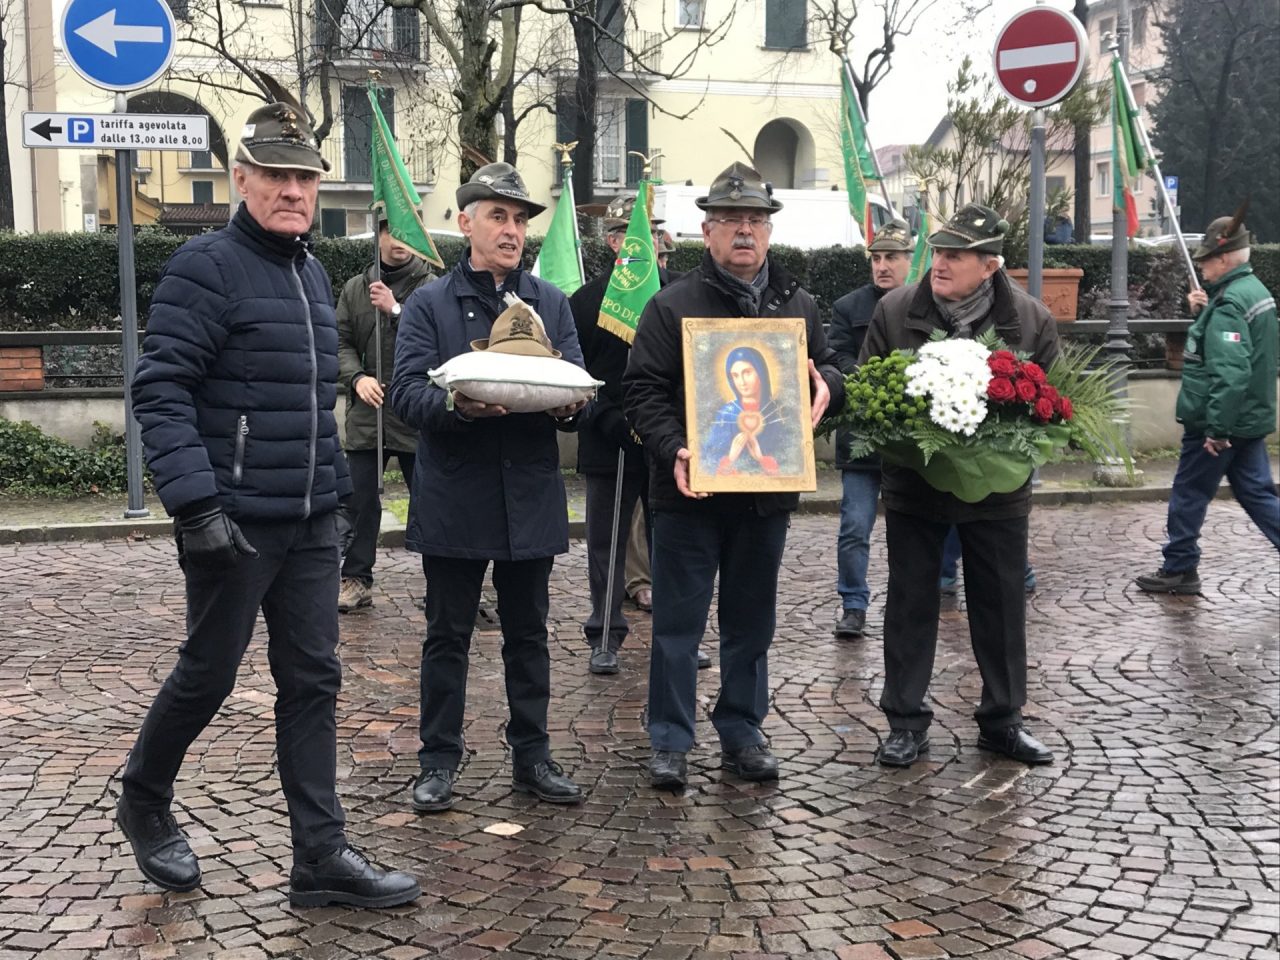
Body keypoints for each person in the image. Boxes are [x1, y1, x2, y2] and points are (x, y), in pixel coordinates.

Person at [118, 103, 419, 908]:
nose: (292, 190)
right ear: (241, 179)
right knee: (210, 673)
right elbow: (160, 389)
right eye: (276, 174)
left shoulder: (313, 271)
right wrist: (195, 506)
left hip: (313, 517)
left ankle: (319, 856)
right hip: (233, 519)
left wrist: (335, 503)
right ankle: (144, 797)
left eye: (305, 177)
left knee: (313, 680)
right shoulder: (205, 266)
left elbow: (309, 400)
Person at [624, 161, 845, 790]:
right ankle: (669, 739)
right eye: (731, 221)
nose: (744, 231)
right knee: (677, 624)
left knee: (752, 621)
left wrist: (827, 386)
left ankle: (743, 731)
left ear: (769, 231)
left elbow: (827, 367)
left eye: (755, 220)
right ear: (707, 230)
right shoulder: (672, 306)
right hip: (690, 493)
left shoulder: (797, 304)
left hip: (764, 496)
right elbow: (641, 391)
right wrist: (674, 450)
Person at [389, 162, 588, 813]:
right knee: (447, 635)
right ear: (465, 220)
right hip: (456, 494)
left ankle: (533, 757)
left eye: (519, 219)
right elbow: (406, 393)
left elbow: (577, 381)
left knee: (529, 634)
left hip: (529, 494)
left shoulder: (550, 303)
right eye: (498, 216)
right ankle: (437, 761)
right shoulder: (427, 303)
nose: (512, 229)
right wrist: (455, 408)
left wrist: (569, 408)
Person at [859, 202, 1058, 769]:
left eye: (956, 255)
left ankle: (1002, 721)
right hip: (915, 484)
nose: (940, 263)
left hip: (999, 493)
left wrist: (1011, 455)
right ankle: (904, 722)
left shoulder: (1030, 320)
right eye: (939, 251)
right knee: (910, 600)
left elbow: (1052, 406)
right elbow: (869, 389)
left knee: (1000, 605)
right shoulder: (896, 310)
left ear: (990, 264)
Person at [1135, 213, 1279, 594]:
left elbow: (1230, 373)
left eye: (1206, 260)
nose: (1201, 265)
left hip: (1220, 423)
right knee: (1258, 494)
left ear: (1225, 258)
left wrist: (1216, 430)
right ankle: (1180, 565)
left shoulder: (1230, 302)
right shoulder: (1253, 292)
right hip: (1248, 418)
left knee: (1189, 492)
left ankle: (1180, 567)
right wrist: (1204, 310)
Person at [568, 196, 665, 675]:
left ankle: (675, 631)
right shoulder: (586, 301)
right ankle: (604, 633)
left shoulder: (674, 294)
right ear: (613, 241)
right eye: (633, 233)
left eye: (651, 232)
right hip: (610, 442)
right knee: (606, 543)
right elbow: (575, 371)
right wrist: (606, 417)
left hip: (668, 441)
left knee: (670, 539)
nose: (647, 242)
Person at [335, 221, 434, 612]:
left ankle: (442, 580)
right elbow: (339, 340)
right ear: (378, 237)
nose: (398, 242)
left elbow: (434, 338)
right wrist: (356, 377)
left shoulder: (432, 289)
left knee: (430, 502)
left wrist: (395, 309)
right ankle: (356, 578)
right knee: (359, 500)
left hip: (417, 412)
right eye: (390, 232)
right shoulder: (356, 288)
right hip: (368, 413)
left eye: (407, 232)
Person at [828, 218, 914, 639]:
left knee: (913, 528)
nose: (882, 266)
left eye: (892, 258)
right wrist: (868, 381)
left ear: (910, 261)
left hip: (913, 440)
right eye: (877, 258)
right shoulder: (848, 307)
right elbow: (837, 357)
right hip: (861, 435)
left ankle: (914, 599)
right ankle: (853, 605)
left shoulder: (929, 303)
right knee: (854, 527)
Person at [702, 346, 787, 475]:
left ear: (760, 372)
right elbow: (709, 457)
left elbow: (791, 457)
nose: (741, 382)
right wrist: (730, 458)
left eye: (747, 373)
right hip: (728, 492)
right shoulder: (727, 414)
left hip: (772, 492)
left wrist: (762, 459)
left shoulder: (777, 411)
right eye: (735, 375)